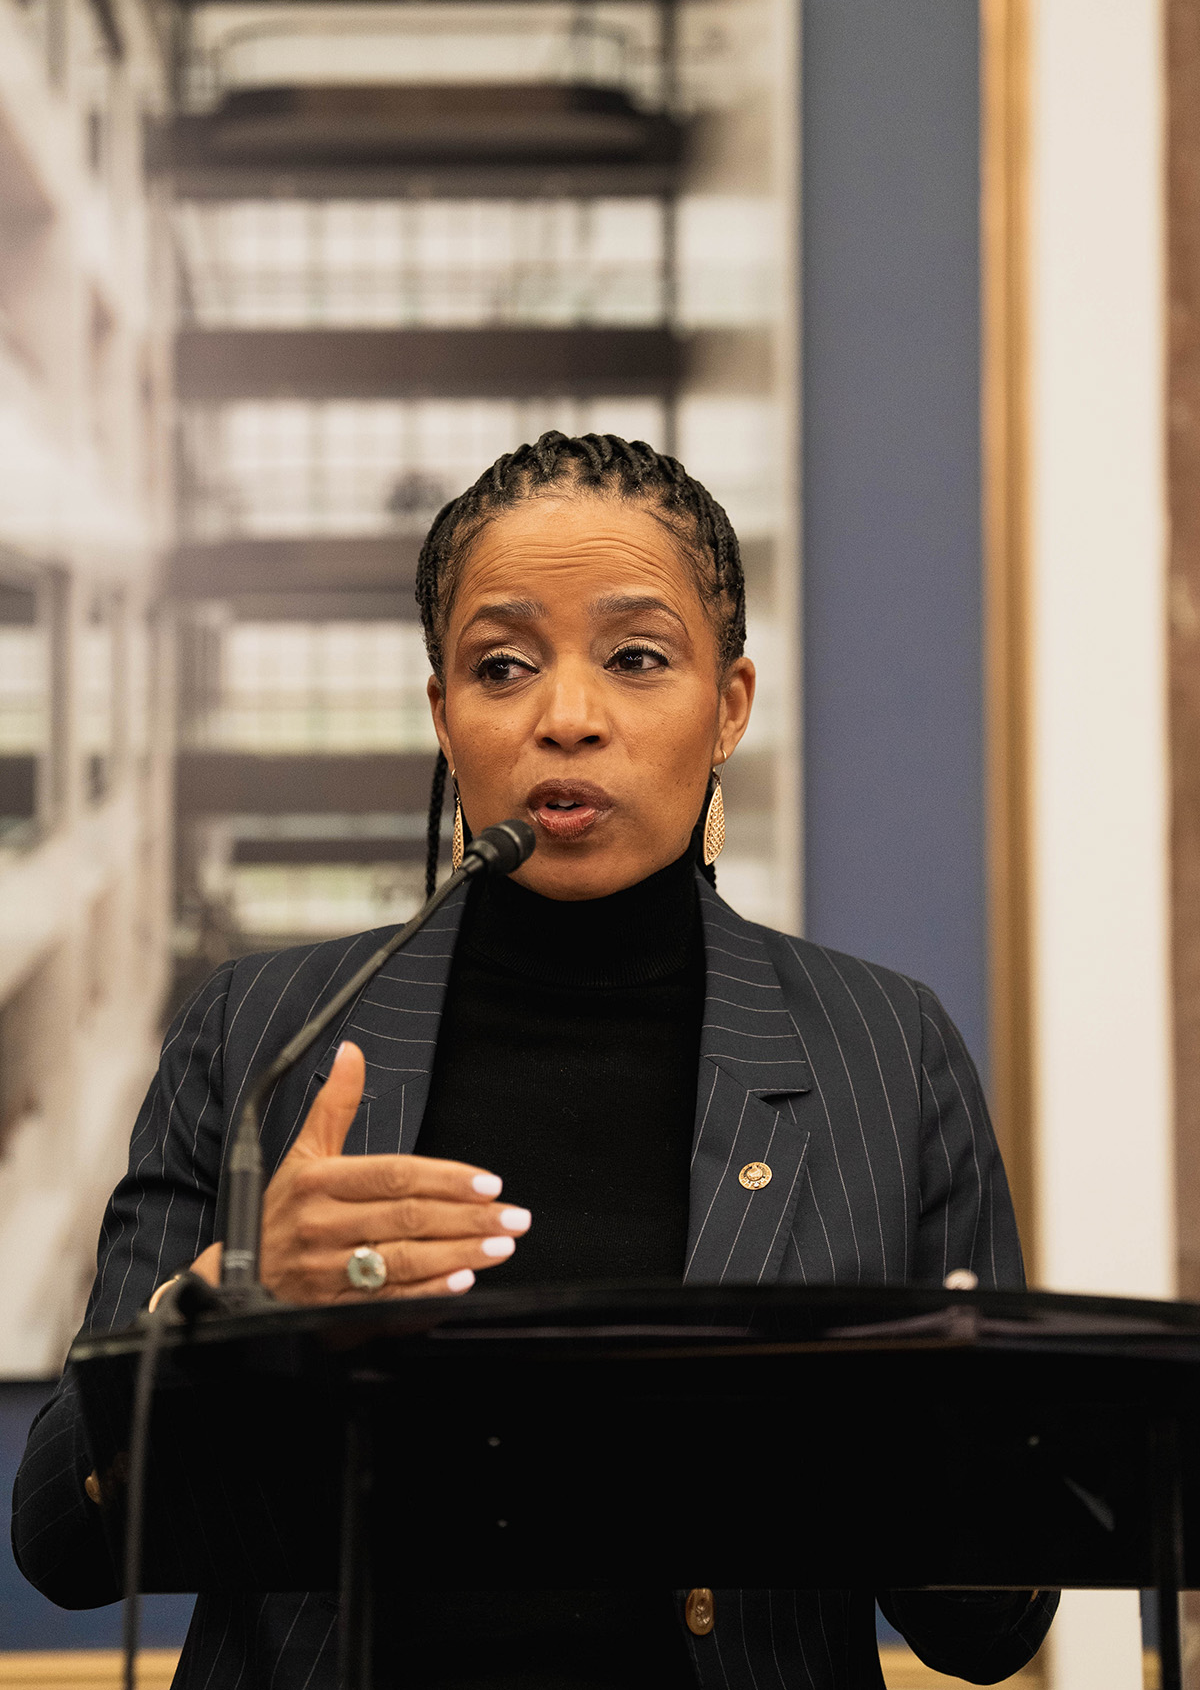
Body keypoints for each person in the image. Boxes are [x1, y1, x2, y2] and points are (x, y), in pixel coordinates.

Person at [13, 432, 1056, 1688]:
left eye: (636, 657)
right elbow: (60, 1537)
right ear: (445, 713)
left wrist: (905, 1430)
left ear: (728, 705)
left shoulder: (887, 1051)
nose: (568, 717)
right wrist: (222, 1316)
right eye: (501, 665)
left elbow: (995, 1622)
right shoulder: (261, 1033)